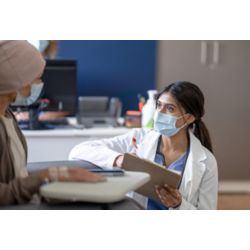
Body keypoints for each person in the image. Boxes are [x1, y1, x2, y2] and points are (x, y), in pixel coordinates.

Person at [69, 81, 218, 210]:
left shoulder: (207, 162)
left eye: (170, 109)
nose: (160, 113)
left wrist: (178, 205)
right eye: (159, 105)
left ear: (189, 118)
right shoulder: (139, 138)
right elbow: (79, 150)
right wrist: (119, 159)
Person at [0, 40, 105, 206]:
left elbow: (18, 175)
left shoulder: (7, 116)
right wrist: (45, 176)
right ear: (16, 82)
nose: (40, 85)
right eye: (37, 78)